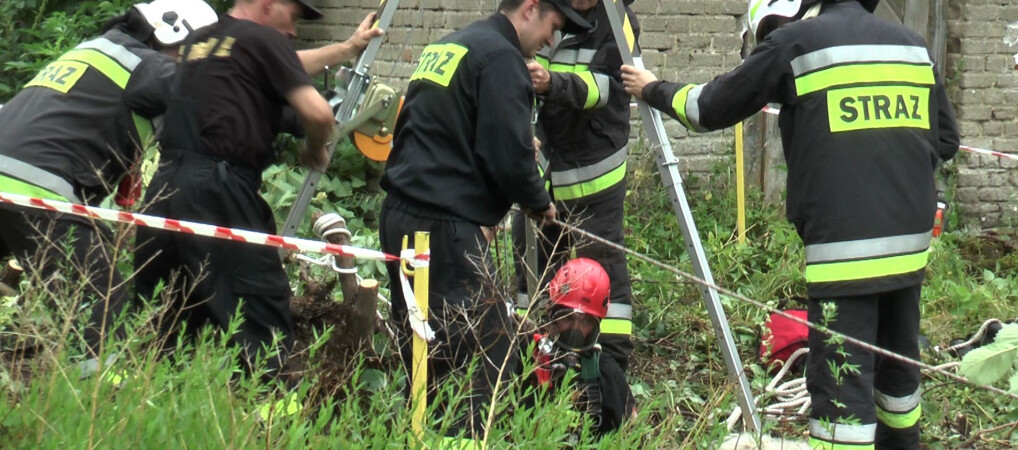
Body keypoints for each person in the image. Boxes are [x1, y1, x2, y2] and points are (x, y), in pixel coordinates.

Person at [621, 0, 960, 447]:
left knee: (842, 394)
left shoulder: (796, 43)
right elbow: (948, 140)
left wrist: (653, 88)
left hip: (845, 254)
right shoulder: (913, 47)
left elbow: (708, 107)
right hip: (909, 249)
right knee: (898, 377)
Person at [132, 0, 382, 382]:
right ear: (268, 4)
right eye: (293, 16)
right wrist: (315, 148)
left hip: (164, 190)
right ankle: (269, 423)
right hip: (220, 194)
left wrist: (347, 49)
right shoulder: (263, 40)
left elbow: (284, 67)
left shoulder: (204, 41)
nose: (294, 30)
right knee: (259, 315)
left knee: (168, 319)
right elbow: (318, 113)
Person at [377, 0, 591, 440]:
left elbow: (443, 132)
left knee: (423, 346)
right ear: (531, 7)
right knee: (481, 355)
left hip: (401, 216)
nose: (552, 40)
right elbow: (509, 160)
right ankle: (460, 439)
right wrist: (541, 205)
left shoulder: (451, 46)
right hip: (443, 230)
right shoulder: (502, 59)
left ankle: (421, 435)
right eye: (554, 25)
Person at [0, 0, 218, 372]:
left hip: (10, 181)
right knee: (99, 296)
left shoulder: (96, 49)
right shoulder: (150, 67)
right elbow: (212, 95)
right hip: (37, 189)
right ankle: (97, 396)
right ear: (174, 34)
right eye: (195, 52)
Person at [513, 0, 639, 373]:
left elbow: (607, 87)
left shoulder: (619, 21)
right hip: (547, 166)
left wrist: (552, 83)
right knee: (530, 256)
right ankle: (531, 356)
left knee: (599, 265)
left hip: (594, 171)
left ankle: (610, 366)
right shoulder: (544, 10)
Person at [521, 258, 635, 436]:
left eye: (586, 322)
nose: (576, 331)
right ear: (551, 312)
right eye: (567, 318)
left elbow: (630, 437)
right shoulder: (524, 360)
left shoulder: (606, 374)